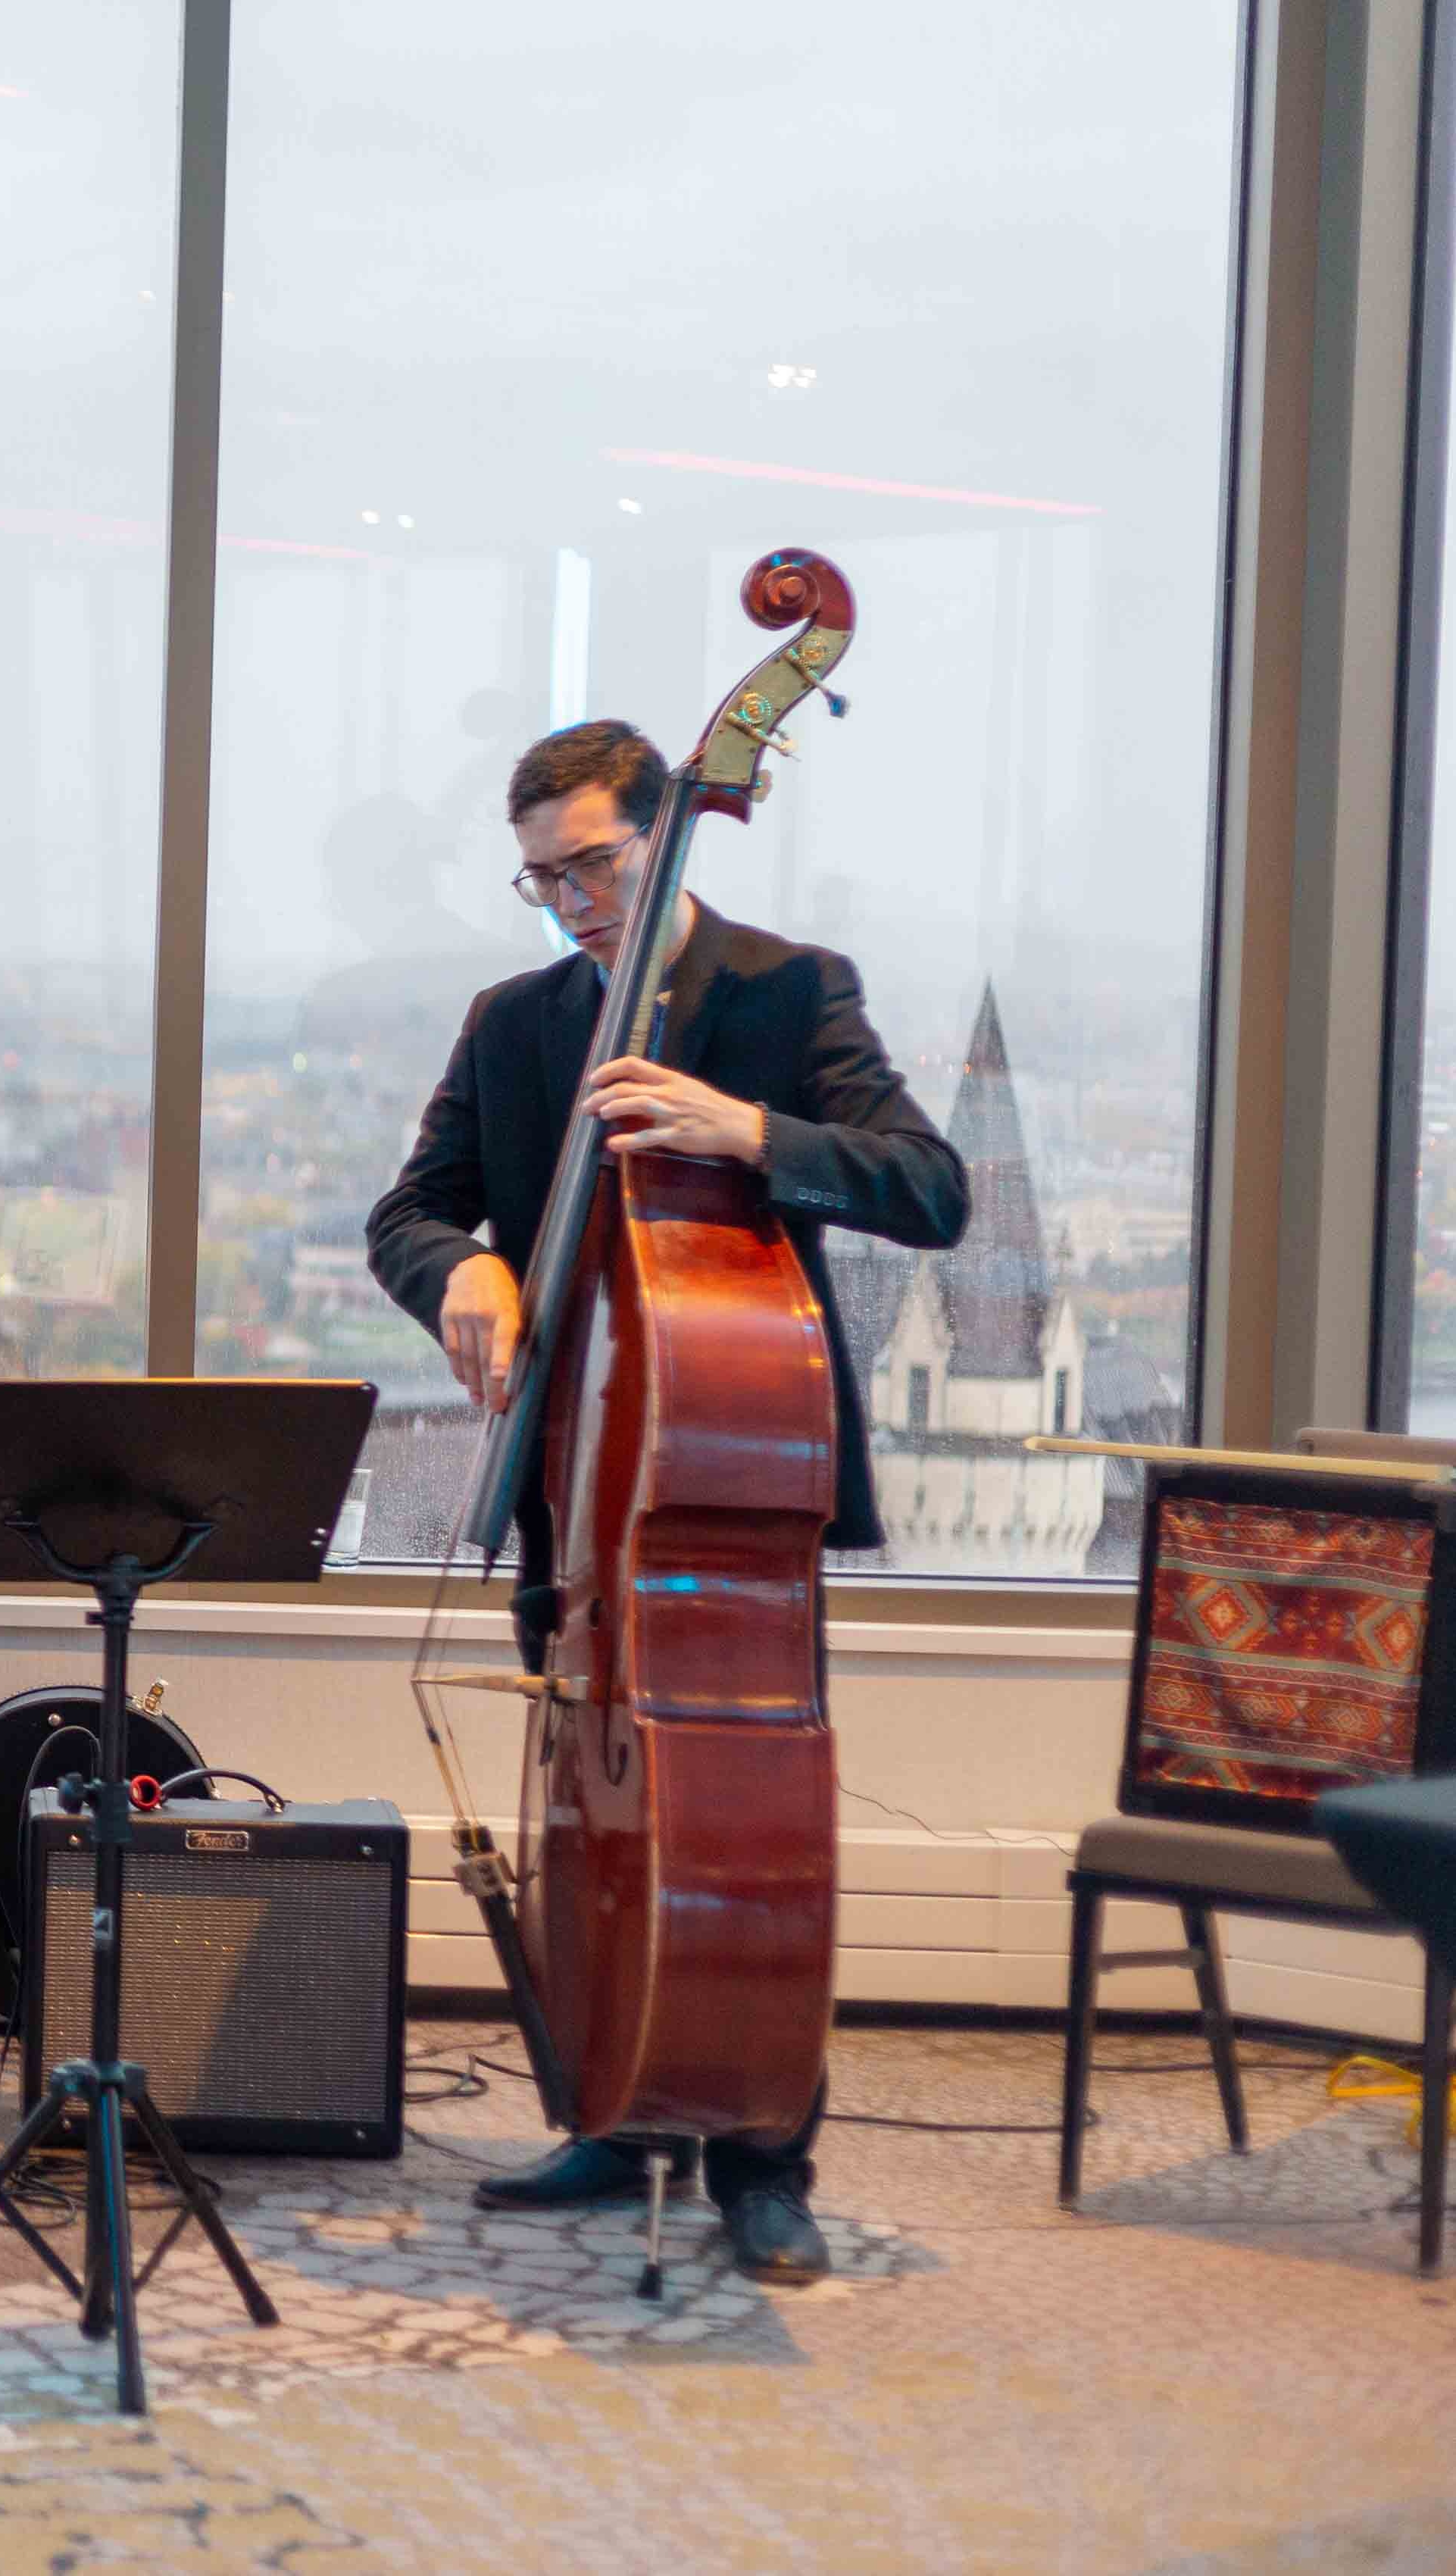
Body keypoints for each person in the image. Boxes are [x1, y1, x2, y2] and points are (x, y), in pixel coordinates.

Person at [364, 716, 970, 2283]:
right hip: (576, 1486)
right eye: (541, 876)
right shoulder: (513, 1023)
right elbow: (409, 1209)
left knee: (753, 1829)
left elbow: (931, 1182)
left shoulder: (786, 989)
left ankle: (766, 2149)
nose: (571, 901)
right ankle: (619, 2103)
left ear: (669, 831)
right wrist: (465, 1270)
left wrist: (751, 1133)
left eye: (595, 865)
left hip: (724, 1487)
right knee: (589, 1812)